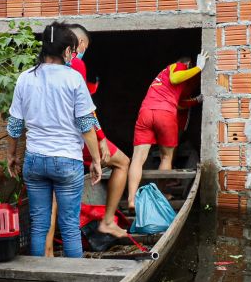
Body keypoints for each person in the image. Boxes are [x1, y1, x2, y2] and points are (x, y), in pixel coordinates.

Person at [6, 22, 102, 258]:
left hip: (35, 160)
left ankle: (40, 278)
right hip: (67, 160)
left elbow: (15, 125)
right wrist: (96, 160)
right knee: (69, 227)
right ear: (67, 51)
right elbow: (86, 125)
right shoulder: (73, 79)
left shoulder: (25, 78)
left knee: (39, 224)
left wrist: (11, 155)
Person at [64, 23, 130, 238]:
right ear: (80, 44)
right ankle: (108, 222)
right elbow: (85, 110)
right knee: (123, 162)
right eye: (85, 48)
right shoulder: (76, 63)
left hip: (51, 141)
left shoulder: (43, 66)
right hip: (78, 136)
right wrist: (100, 138)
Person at [127, 52, 207, 210]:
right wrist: (199, 67)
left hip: (145, 112)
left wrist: (195, 100)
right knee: (166, 156)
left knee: (137, 158)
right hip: (165, 114)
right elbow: (176, 78)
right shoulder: (178, 66)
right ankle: (161, 194)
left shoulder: (161, 76)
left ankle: (131, 200)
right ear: (188, 64)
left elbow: (179, 104)